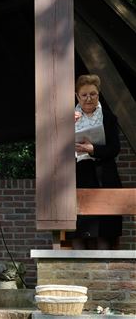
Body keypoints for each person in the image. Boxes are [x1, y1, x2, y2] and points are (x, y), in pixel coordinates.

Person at [70, 74, 122, 249]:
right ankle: (79, 274)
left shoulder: (108, 118)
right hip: (79, 177)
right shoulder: (68, 118)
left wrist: (93, 149)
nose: (88, 98)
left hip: (104, 177)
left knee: (105, 232)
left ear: (98, 94)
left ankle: (104, 274)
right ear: (77, 96)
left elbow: (115, 148)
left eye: (93, 94)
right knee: (79, 232)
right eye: (84, 95)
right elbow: (56, 150)